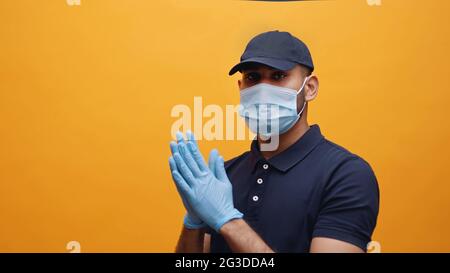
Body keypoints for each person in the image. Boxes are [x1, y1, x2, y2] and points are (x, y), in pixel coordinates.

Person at [169, 30, 379, 253]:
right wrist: (194, 222)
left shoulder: (346, 175)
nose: (263, 89)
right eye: (253, 77)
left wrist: (229, 221)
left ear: (310, 88)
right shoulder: (225, 176)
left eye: (278, 76)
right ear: (240, 87)